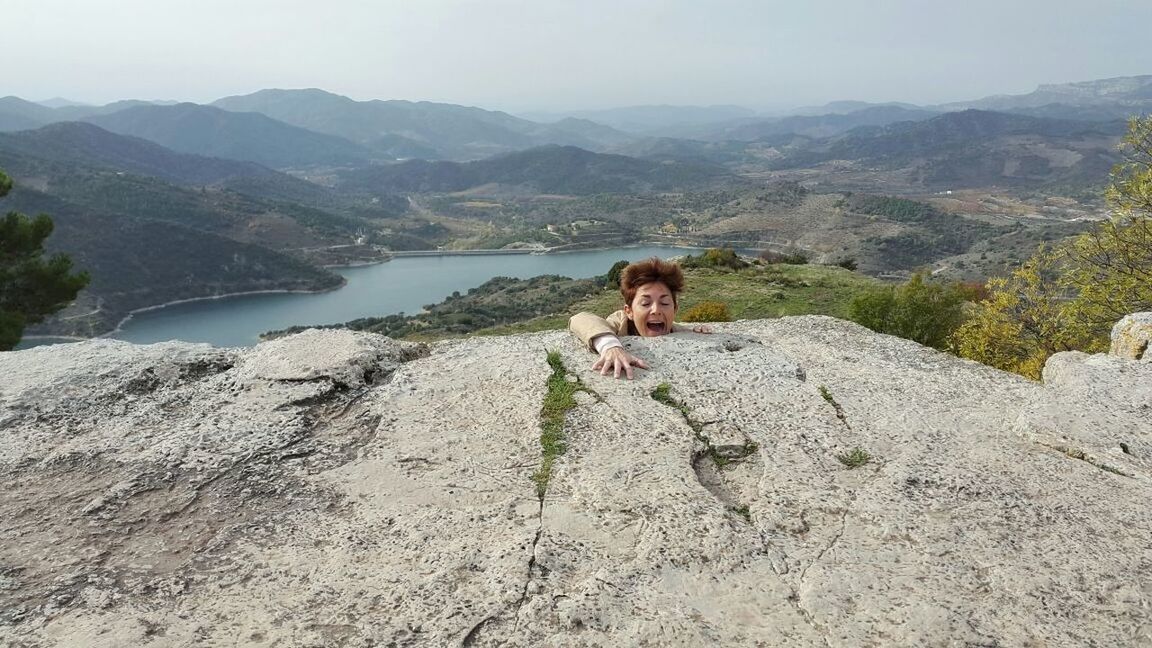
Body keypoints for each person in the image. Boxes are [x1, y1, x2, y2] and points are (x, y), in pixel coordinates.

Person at [570, 257, 710, 379]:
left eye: (665, 303)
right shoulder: (620, 321)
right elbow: (580, 319)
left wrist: (697, 332)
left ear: (675, 309)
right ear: (629, 311)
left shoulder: (677, 330)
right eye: (645, 303)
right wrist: (611, 347)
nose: (656, 310)